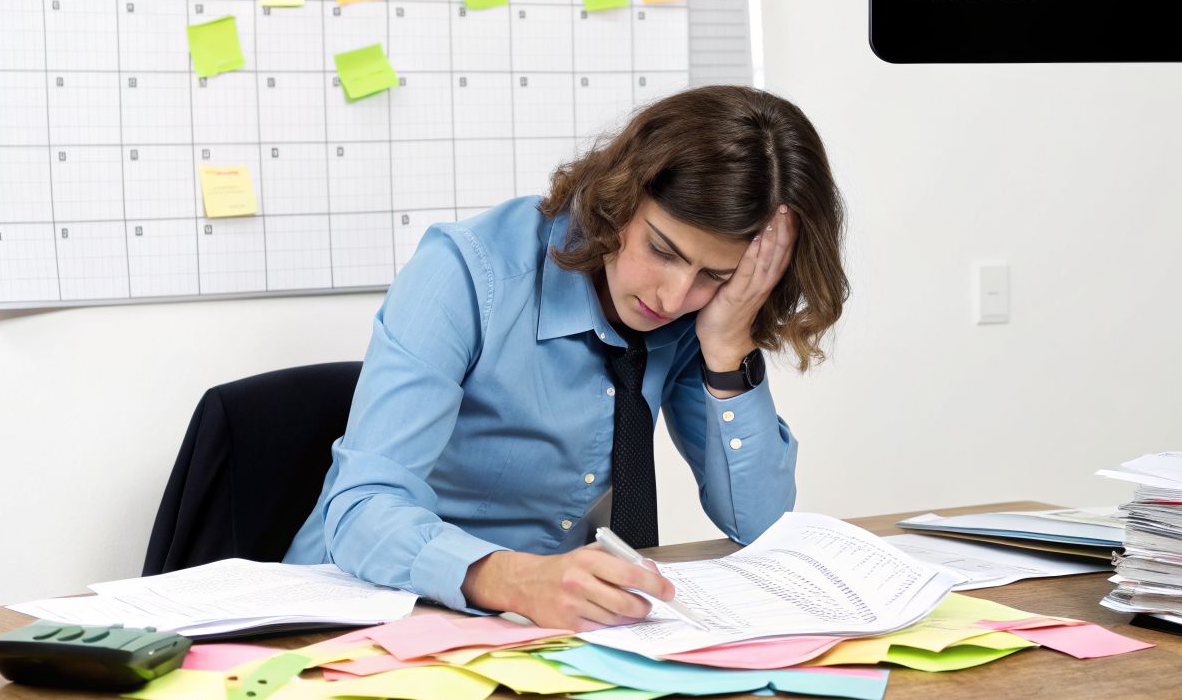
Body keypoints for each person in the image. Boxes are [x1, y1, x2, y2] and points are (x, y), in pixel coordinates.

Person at [285, 85, 848, 631]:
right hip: (355, 615)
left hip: (528, 635)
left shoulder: (690, 322)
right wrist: (517, 580)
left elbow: (762, 527)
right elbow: (361, 510)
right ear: (620, 198)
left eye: (714, 276)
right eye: (661, 250)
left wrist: (728, 350)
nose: (672, 298)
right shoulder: (466, 273)